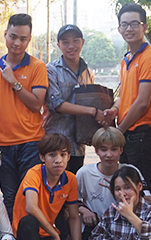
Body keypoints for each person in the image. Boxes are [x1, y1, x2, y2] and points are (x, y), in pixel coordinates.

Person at [0, 14, 49, 216]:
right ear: (5, 35)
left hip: (31, 142)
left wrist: (14, 81)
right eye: (13, 36)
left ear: (29, 40)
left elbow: (36, 104)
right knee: (9, 197)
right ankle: (12, 234)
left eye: (23, 38)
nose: (17, 43)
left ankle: (29, 235)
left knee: (29, 196)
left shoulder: (37, 66)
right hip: (3, 144)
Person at [12, 133, 87, 240]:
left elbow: (74, 218)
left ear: (69, 156)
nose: (58, 160)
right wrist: (55, 234)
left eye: (63, 154)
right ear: (42, 157)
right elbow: (31, 207)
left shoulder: (70, 179)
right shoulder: (34, 174)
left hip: (46, 235)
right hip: (25, 235)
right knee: (29, 221)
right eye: (52, 155)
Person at [114, 4, 151, 202]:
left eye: (134, 24)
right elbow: (124, 96)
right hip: (129, 133)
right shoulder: (126, 59)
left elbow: (142, 102)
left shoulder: (149, 57)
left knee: (148, 191)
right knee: (129, 191)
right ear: (119, 28)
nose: (129, 29)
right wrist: (113, 109)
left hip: (142, 134)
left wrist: (119, 130)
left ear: (145, 26)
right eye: (124, 25)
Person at [45, 24, 109, 174]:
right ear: (59, 45)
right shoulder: (50, 70)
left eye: (75, 41)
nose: (71, 46)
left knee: (74, 183)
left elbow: (91, 102)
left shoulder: (88, 73)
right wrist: (93, 111)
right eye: (65, 42)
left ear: (82, 42)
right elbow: (56, 104)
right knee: (54, 184)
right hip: (55, 142)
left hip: (78, 145)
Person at [77, 127, 150, 237]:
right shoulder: (84, 173)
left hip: (126, 229)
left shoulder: (131, 171)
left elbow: (148, 200)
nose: (109, 154)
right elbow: (72, 201)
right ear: (96, 151)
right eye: (103, 149)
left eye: (114, 149)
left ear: (121, 150)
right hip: (96, 229)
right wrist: (84, 210)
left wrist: (122, 194)